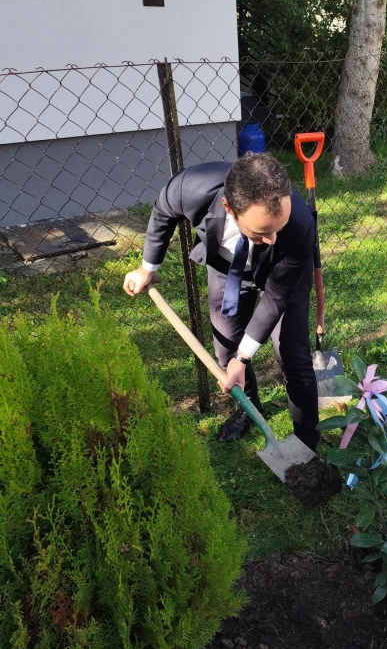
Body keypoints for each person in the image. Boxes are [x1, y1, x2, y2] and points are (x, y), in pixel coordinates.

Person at [123, 153, 319, 449]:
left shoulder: (298, 225)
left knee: (292, 354)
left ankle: (306, 441)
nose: (272, 239)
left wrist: (245, 357)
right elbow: (163, 211)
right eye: (262, 232)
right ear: (229, 207)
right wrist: (148, 268)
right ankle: (249, 411)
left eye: (278, 228)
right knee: (226, 348)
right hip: (227, 267)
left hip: (282, 273)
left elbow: (276, 296)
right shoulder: (191, 188)